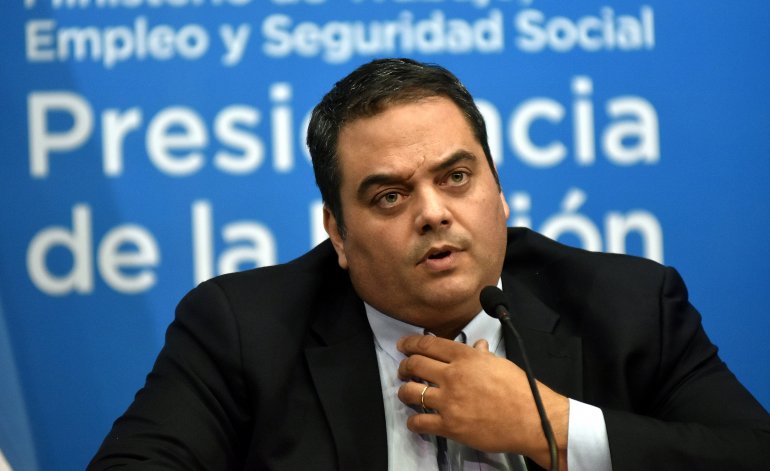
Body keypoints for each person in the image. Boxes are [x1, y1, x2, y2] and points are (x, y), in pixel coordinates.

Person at [89, 58, 770, 470]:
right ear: (338, 234)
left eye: (456, 177)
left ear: (499, 192)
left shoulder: (628, 304)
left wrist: (553, 427)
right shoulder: (243, 328)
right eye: (389, 195)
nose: (434, 213)